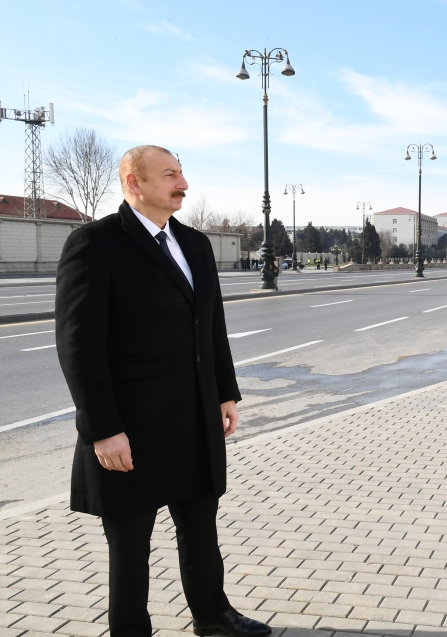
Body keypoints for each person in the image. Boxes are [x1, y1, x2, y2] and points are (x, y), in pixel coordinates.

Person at [55, 145, 271, 637]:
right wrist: (103, 429)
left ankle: (213, 617)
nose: (184, 184)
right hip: (131, 426)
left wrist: (225, 393)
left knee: (201, 530)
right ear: (135, 183)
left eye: (182, 174)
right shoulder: (96, 243)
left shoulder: (194, 244)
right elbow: (78, 345)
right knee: (130, 544)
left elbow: (211, 325)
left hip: (193, 416)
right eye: (171, 175)